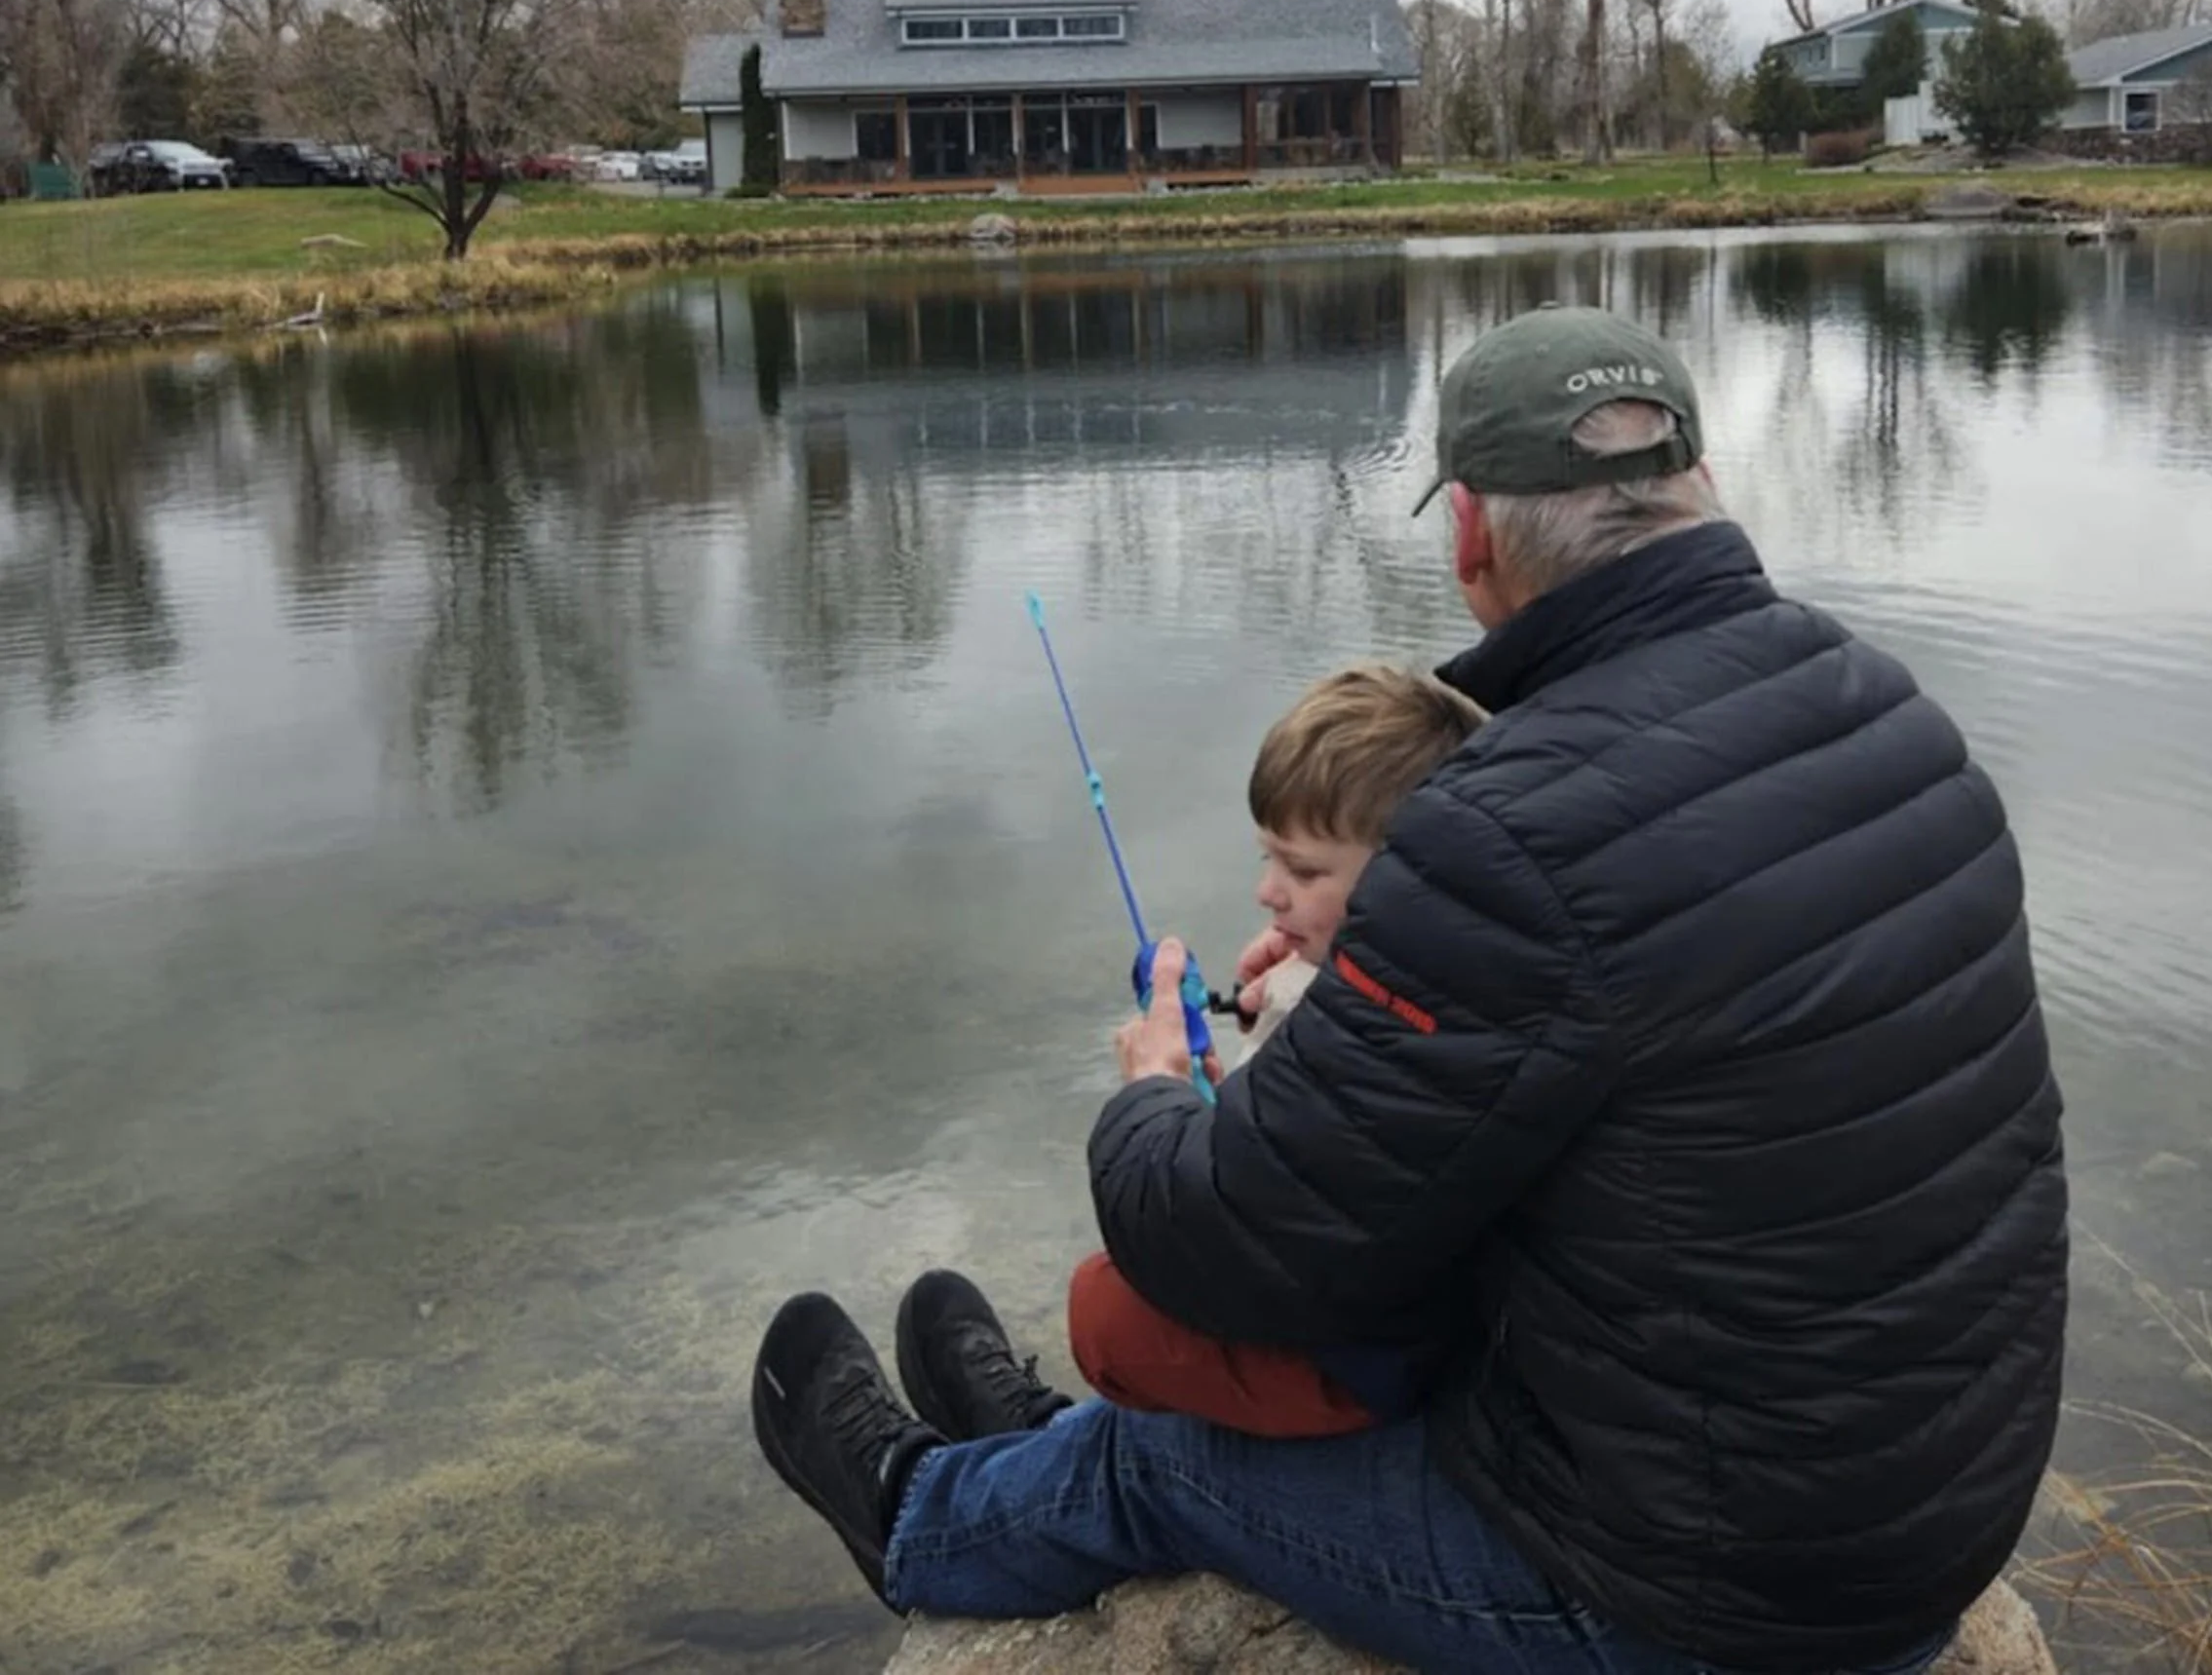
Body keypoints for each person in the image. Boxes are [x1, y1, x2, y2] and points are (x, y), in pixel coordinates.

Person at [751, 304, 2069, 1675]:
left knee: (1166, 1463)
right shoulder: (1893, 715)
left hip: (1696, 1605)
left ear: (1474, 541)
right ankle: (1035, 1444)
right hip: (1909, 1522)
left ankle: (918, 1516)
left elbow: (1228, 1239)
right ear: (1703, 488)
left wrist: (1150, 1093)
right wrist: (1356, 999)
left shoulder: (1515, 827)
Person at [1060, 663, 1489, 1439]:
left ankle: (1094, 1454)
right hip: (1422, 1320)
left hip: (1381, 1370)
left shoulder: (1398, 1050)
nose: (1267, 890)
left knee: (1101, 1306)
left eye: (1301, 870)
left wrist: (1154, 1094)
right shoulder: (1472, 976)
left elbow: (1228, 1240)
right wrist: (1317, 979)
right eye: (1268, 858)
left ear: (1408, 874)